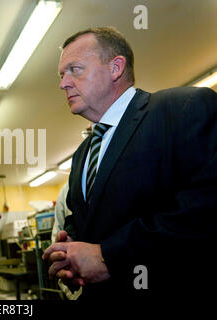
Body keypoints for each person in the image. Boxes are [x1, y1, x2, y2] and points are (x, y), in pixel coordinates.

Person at [42, 26, 216, 306]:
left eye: (75, 69)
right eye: (62, 75)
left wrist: (107, 256)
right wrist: (69, 251)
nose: (64, 83)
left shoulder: (184, 109)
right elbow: (86, 220)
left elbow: (205, 211)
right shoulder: (83, 153)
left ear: (115, 68)